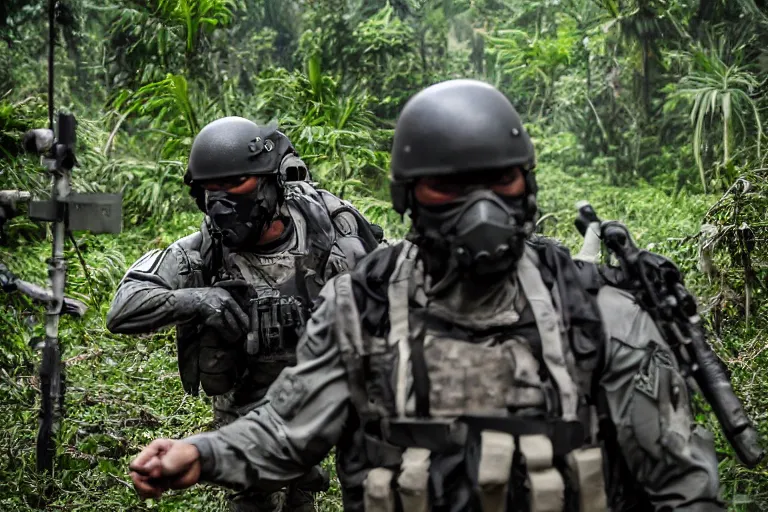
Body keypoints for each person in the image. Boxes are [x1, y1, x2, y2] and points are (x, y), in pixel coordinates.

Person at [127, 81, 724, 511]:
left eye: (499, 182)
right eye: (448, 188)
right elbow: (288, 428)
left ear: (528, 186)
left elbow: (681, 484)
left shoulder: (601, 314)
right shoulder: (360, 312)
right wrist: (201, 454)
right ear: (410, 195)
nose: (480, 208)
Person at [108, 116, 383, 512]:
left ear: (271, 181)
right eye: (209, 190)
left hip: (332, 394)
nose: (221, 202)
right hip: (248, 406)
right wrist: (202, 300)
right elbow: (124, 307)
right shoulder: (204, 251)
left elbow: (391, 293)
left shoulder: (330, 231)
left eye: (235, 184)